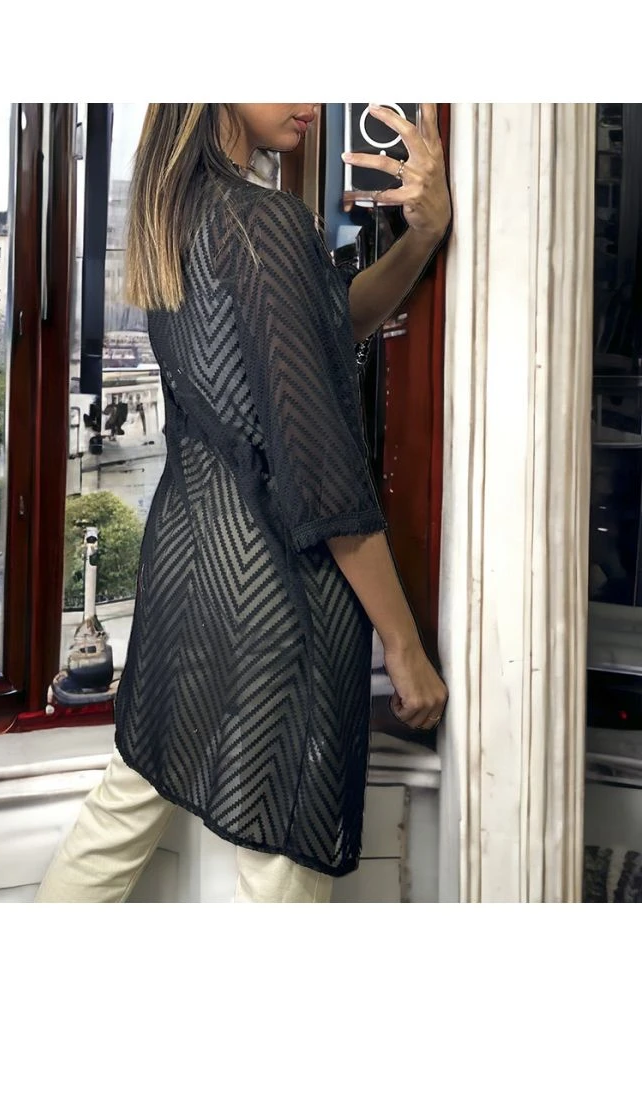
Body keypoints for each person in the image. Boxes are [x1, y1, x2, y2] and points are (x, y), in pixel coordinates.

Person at [36, 103, 452, 904]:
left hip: (185, 577)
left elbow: (325, 330)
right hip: (276, 594)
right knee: (281, 869)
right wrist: (402, 644)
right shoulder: (264, 221)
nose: (312, 99)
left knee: (116, 821)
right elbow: (323, 474)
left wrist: (421, 238)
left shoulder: (177, 214)